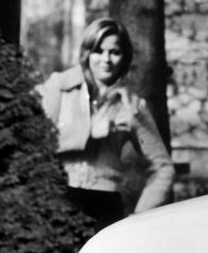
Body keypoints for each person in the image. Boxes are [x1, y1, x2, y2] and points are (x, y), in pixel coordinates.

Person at [38, 17, 174, 231]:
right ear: (87, 53)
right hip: (57, 198)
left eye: (114, 52)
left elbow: (163, 168)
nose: (106, 59)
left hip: (104, 206)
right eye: (98, 51)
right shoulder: (60, 87)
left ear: (124, 57)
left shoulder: (132, 106)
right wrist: (89, 131)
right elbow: (37, 142)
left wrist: (139, 217)